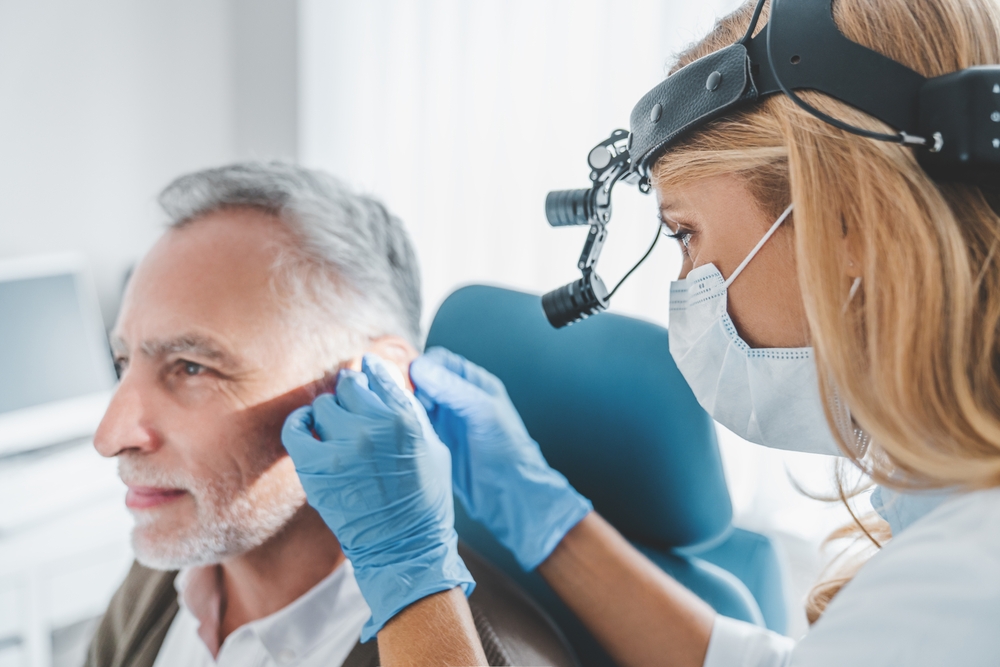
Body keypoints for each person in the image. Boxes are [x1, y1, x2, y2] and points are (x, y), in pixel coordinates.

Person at [281, 0, 1000, 665]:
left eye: (685, 233)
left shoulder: (961, 584)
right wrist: (543, 513)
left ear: (852, 221)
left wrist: (406, 573)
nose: (685, 284)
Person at [85, 162, 567, 667]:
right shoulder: (173, 566)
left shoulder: (491, 654)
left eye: (191, 367)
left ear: (375, 383)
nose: (109, 436)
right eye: (123, 362)